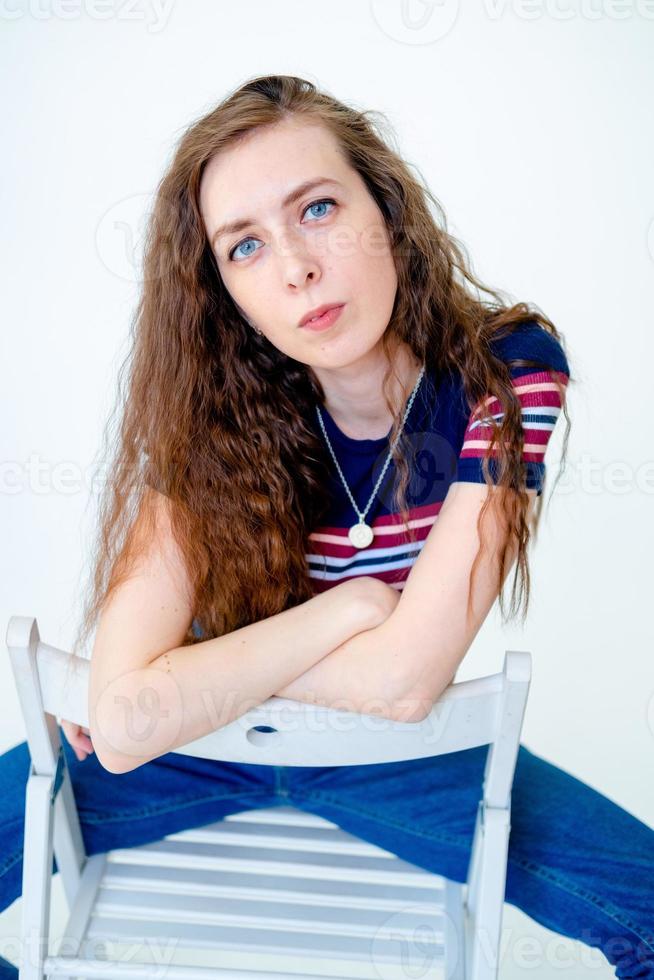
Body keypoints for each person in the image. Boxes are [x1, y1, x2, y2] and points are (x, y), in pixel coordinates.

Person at [1, 74, 652, 979]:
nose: (296, 268)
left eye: (317, 209)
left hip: (396, 758)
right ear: (222, 290)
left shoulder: (504, 373)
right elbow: (123, 720)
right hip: (189, 755)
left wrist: (188, 680)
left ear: (385, 209)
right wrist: (348, 611)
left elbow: (404, 683)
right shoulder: (209, 412)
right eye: (245, 248)